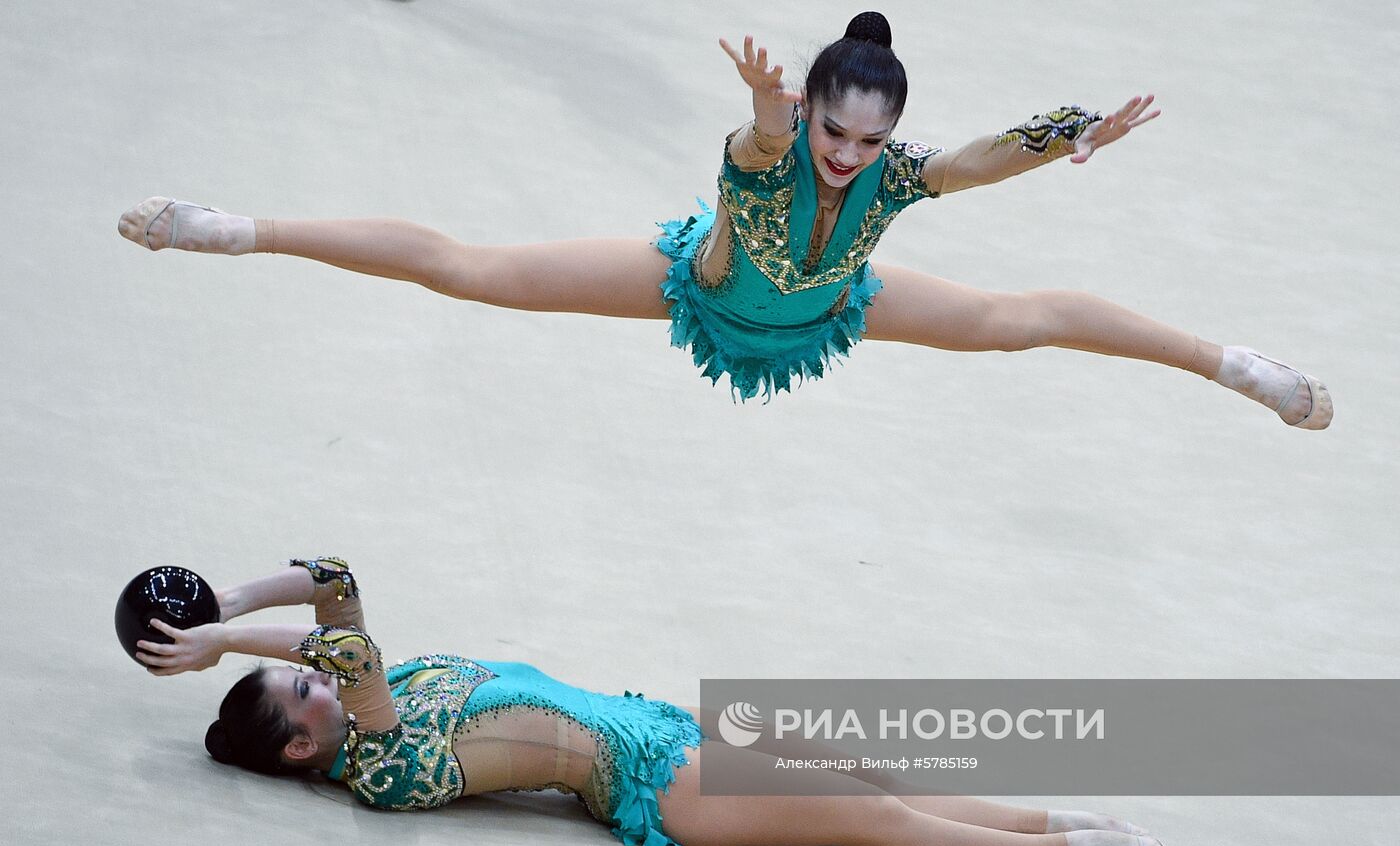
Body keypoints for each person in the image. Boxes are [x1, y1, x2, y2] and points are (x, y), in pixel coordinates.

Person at [118, 11, 1329, 424]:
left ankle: (1238, 368)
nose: (847, 158)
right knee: (467, 268)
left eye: (866, 141)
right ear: (806, 112)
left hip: (822, 306)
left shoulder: (896, 175)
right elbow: (756, 150)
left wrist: (1067, 134)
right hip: (697, 283)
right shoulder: (764, 155)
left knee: (1027, 317)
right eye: (829, 133)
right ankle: (235, 227)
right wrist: (763, 110)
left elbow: (966, 162)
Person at [136, 556, 1180, 846]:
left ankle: (1041, 818)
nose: (318, 681)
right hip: (652, 786)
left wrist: (222, 607)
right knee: (868, 819)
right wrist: (233, 651)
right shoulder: (381, 756)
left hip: (648, 719)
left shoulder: (382, 685)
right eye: (303, 698)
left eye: (304, 679)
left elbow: (332, 579)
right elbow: (343, 646)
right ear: (306, 746)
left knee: (875, 774)